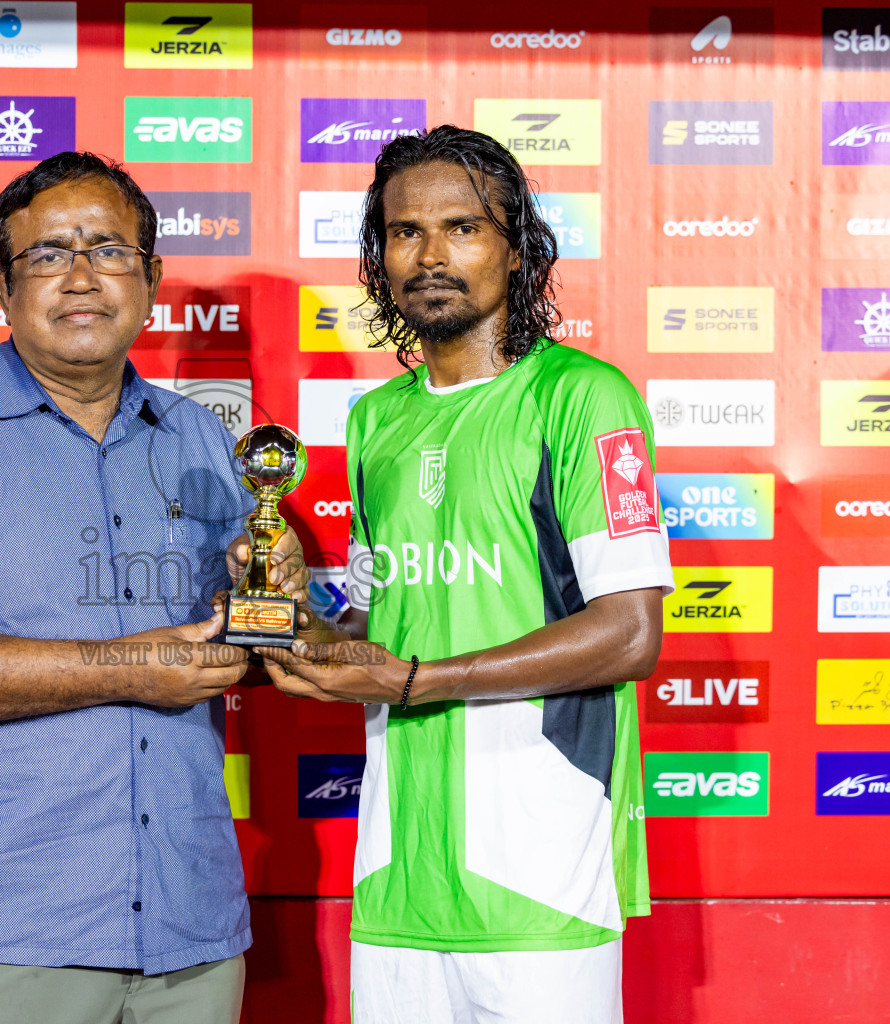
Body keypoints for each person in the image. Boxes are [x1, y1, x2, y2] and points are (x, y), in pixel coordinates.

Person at [0, 151, 310, 1024]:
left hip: (189, 934)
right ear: (4, 289)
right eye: (49, 254)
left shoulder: (206, 441)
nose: (82, 277)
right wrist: (129, 667)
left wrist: (282, 589)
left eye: (110, 251)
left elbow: (270, 635)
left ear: (151, 280)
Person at [260, 126, 674, 1023]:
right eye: (405, 232)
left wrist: (416, 680)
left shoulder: (583, 396)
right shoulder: (375, 420)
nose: (431, 255)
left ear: (517, 250)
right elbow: (374, 634)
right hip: (397, 880)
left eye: (463, 228)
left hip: (541, 877)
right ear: (380, 258)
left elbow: (630, 635)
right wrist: (295, 612)